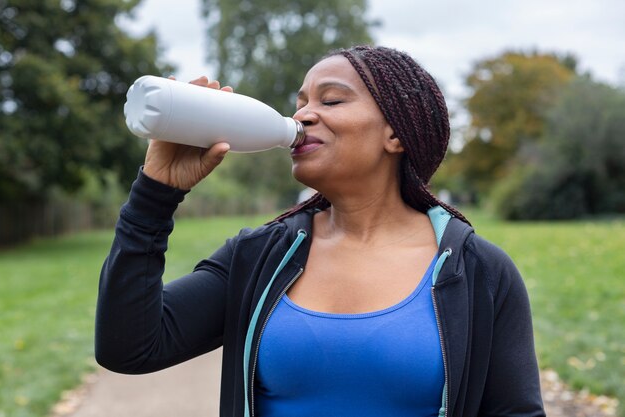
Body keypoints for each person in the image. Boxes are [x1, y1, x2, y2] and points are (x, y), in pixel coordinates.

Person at [96, 45, 545, 417]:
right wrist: (156, 194)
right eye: (301, 103)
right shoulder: (258, 257)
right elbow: (129, 347)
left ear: (397, 134)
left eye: (330, 101)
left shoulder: (476, 271)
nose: (305, 115)